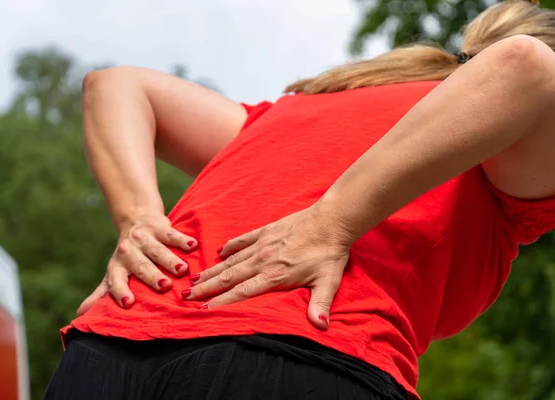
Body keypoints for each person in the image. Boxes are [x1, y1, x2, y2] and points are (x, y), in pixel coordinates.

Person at [44, 1, 555, 399]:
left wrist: (138, 216)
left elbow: (115, 85)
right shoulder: (509, 146)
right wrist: (327, 226)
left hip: (107, 354)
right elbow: (526, 64)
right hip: (301, 357)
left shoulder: (290, 114)